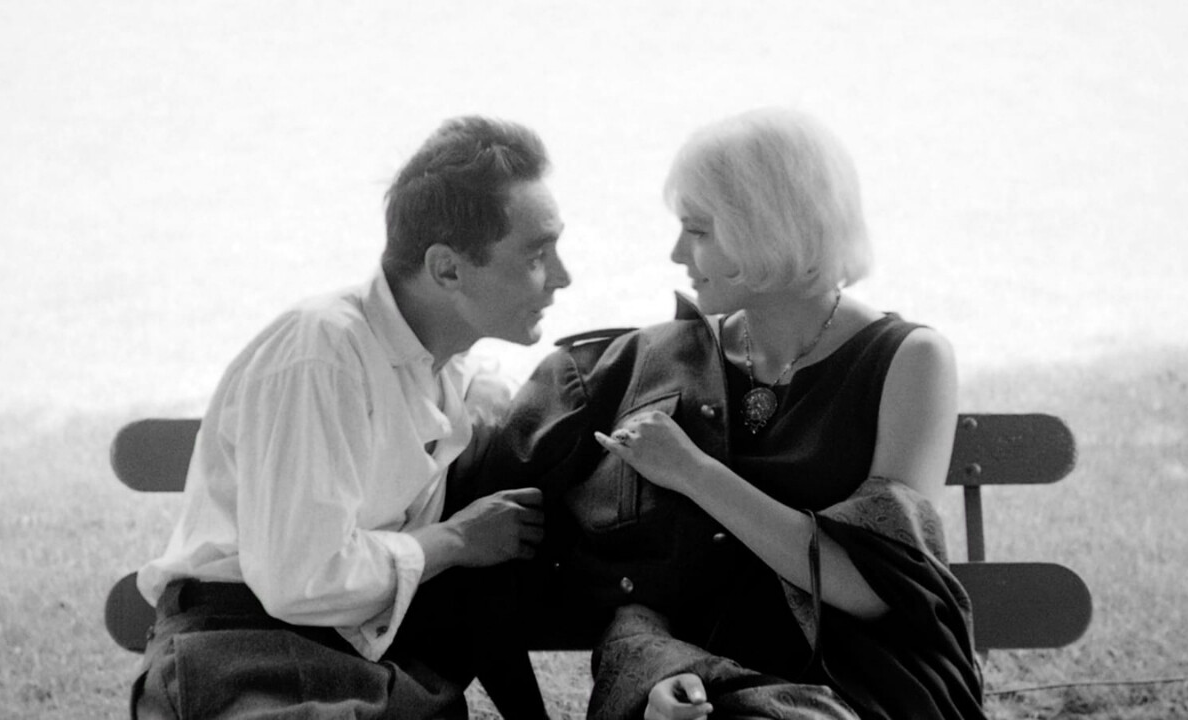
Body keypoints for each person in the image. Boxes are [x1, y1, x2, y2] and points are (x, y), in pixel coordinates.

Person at [463, 107, 986, 719]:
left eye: (699, 230)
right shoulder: (647, 363)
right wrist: (656, 677)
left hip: (869, 689)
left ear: (768, 228)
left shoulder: (910, 360)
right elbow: (587, 571)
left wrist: (693, 472)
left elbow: (875, 586)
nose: (677, 252)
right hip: (707, 689)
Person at [131, 115, 571, 719]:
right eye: (537, 255)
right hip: (238, 652)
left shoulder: (441, 367)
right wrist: (456, 541)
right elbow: (301, 578)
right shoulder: (321, 355)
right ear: (447, 269)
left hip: (351, 663)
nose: (562, 278)